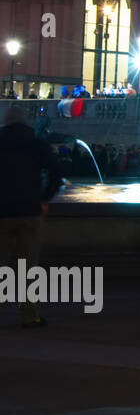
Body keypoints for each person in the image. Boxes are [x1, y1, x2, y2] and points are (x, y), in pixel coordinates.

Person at [0, 106, 61, 327]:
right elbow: (57, 173)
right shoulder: (36, 144)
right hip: (30, 211)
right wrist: (45, 198)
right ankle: (29, 314)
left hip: (2, 212)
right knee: (29, 268)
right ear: (25, 123)